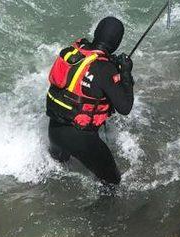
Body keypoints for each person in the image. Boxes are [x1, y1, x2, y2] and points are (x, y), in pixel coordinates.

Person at [46, 16, 134, 185]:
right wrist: (126, 74)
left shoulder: (75, 53)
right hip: (80, 138)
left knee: (57, 174)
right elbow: (125, 107)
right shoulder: (105, 69)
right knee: (112, 183)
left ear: (96, 33)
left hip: (55, 129)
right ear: (116, 43)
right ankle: (98, 212)